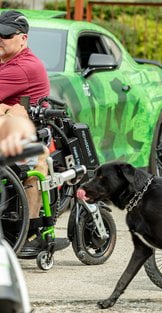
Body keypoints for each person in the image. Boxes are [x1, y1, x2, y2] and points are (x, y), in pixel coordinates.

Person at [0, 10, 69, 257]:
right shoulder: (7, 62)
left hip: (27, 138)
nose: (0, 38)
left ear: (23, 39)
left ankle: (28, 231)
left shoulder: (23, 67)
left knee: (32, 171)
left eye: (5, 35)